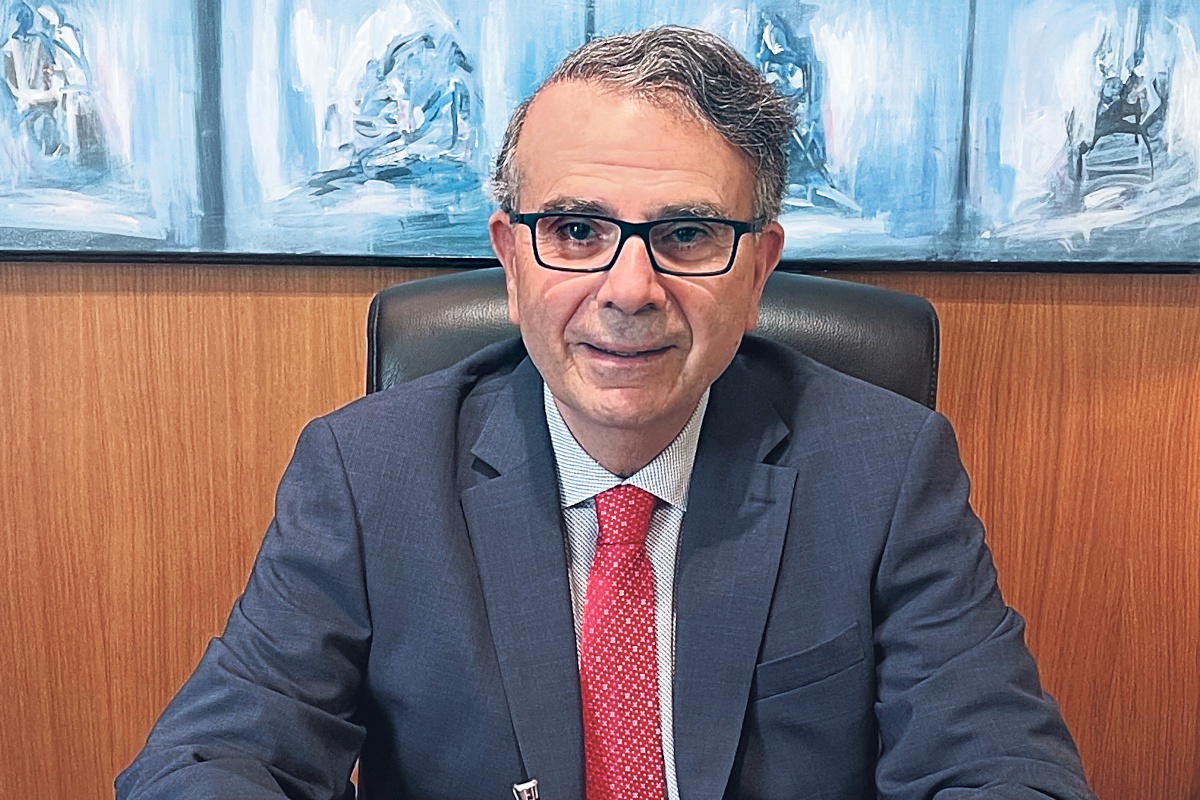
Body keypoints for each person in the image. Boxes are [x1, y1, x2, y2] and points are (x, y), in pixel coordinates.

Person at [118, 26, 1097, 800]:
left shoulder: (885, 468)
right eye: (577, 229)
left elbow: (1004, 765)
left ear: (758, 271)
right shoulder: (367, 472)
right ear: (511, 259)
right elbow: (213, 756)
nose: (629, 288)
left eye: (687, 233)